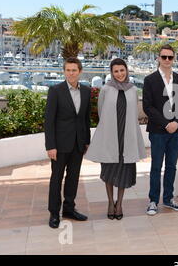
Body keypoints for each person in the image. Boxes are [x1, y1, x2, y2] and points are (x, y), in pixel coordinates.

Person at [85, 58, 146, 220]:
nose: (119, 74)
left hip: (127, 139)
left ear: (126, 70)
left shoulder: (133, 90)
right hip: (110, 138)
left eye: (122, 70)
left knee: (124, 172)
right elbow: (100, 112)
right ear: (111, 73)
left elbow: (134, 114)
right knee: (109, 171)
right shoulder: (106, 89)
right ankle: (110, 202)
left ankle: (119, 204)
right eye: (116, 71)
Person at [44, 57, 91, 228]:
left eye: (74, 70)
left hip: (78, 144)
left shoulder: (86, 91)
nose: (71, 73)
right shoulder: (55, 91)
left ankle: (69, 209)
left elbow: (85, 119)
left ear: (80, 72)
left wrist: (86, 141)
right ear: (64, 72)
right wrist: (50, 145)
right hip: (59, 145)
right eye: (68, 70)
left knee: (73, 178)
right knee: (56, 179)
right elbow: (49, 121)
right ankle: (54, 213)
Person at [143, 44, 178, 216]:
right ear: (158, 58)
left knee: (171, 166)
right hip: (158, 131)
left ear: (174, 59)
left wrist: (176, 122)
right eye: (164, 57)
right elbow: (148, 106)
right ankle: (153, 200)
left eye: (170, 57)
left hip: (176, 131)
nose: (167, 60)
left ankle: (168, 199)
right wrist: (165, 123)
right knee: (156, 166)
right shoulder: (150, 80)